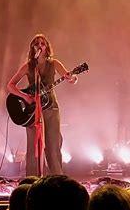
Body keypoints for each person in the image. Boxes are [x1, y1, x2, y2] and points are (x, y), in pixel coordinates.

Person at [7, 34, 78, 176]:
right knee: (33, 147)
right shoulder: (28, 66)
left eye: (42, 43)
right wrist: (25, 97)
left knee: (53, 144)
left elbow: (68, 76)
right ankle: (32, 180)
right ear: (33, 48)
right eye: (36, 43)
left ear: (46, 47)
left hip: (51, 107)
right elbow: (10, 85)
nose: (40, 45)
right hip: (33, 110)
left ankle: (57, 178)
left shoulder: (54, 63)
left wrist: (73, 78)